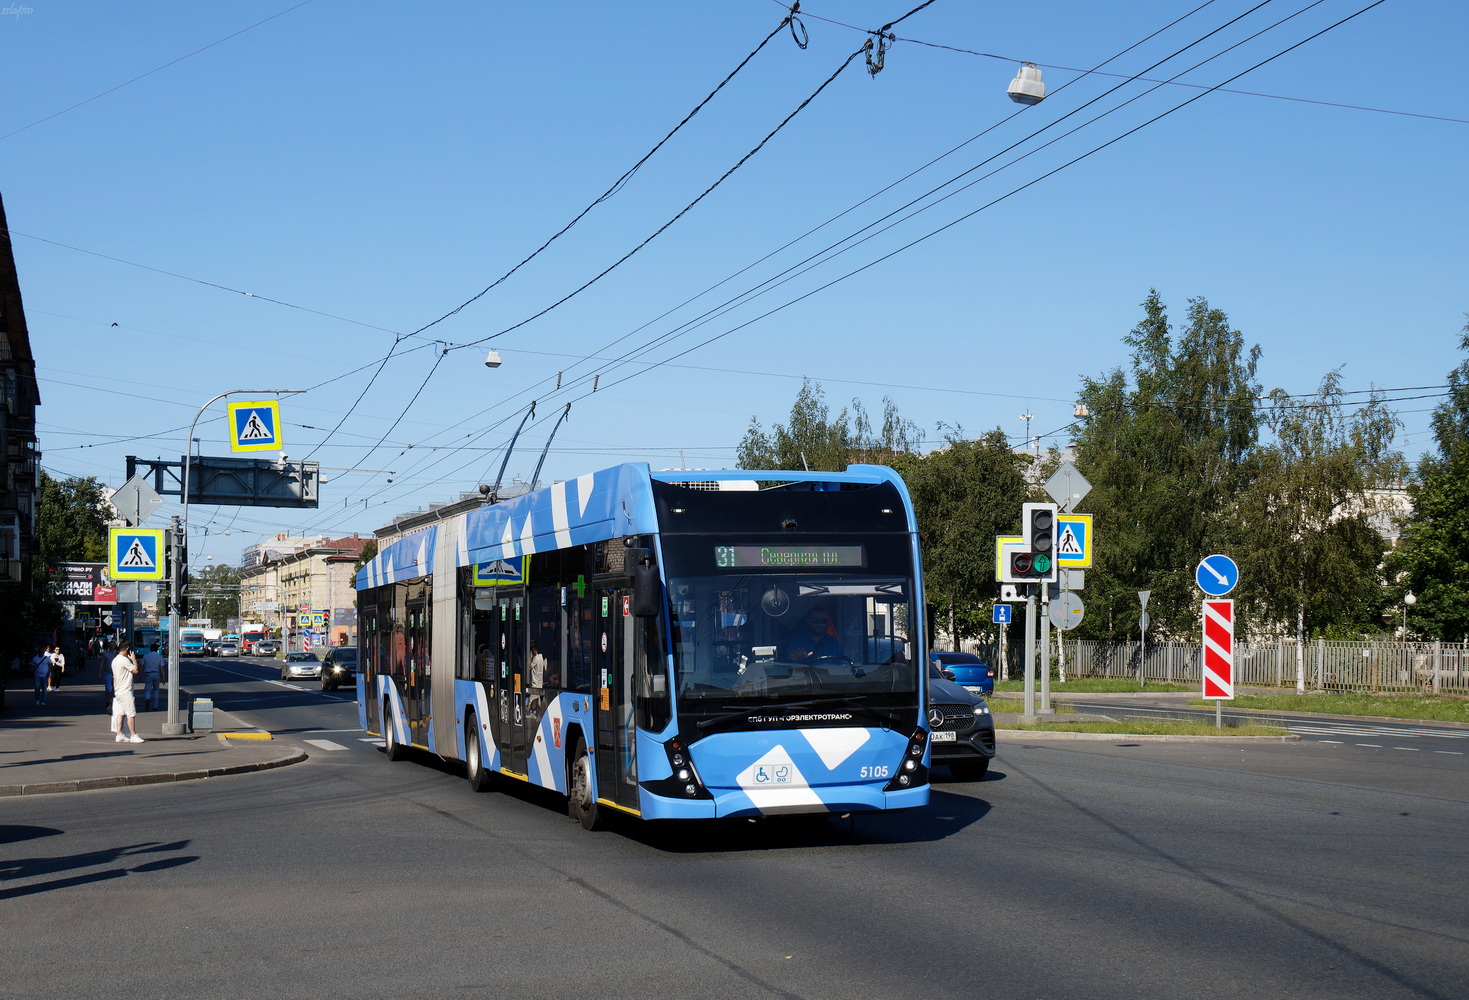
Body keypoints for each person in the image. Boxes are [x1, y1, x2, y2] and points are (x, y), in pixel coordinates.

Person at [111, 644, 143, 743]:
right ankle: (133, 735)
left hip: (118, 690)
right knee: (131, 713)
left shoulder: (115, 660)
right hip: (126, 690)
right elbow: (135, 670)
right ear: (128, 649)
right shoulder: (124, 660)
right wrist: (133, 659)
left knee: (120, 713)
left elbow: (114, 677)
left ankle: (119, 734)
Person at [140, 642, 166, 711]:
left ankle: (147, 699)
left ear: (150, 649)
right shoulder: (159, 657)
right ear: (157, 649)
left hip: (148, 674)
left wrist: (140, 674)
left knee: (147, 689)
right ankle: (155, 706)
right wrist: (163, 678)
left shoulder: (146, 656)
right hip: (156, 674)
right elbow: (162, 667)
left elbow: (141, 665)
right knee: (156, 690)